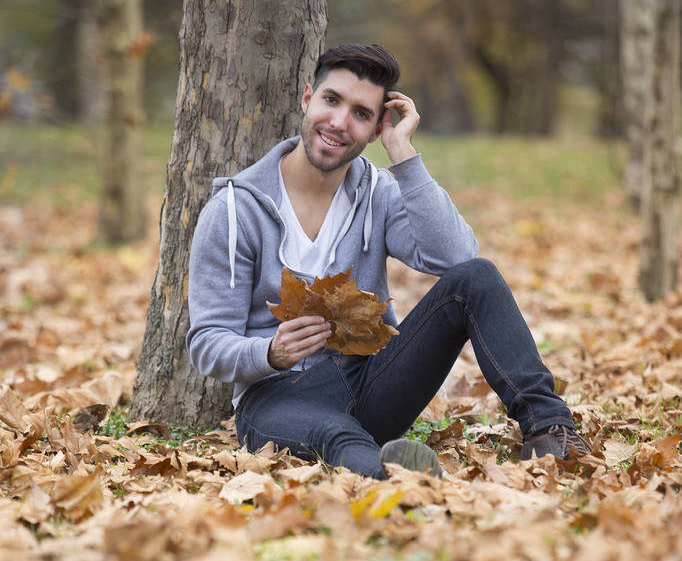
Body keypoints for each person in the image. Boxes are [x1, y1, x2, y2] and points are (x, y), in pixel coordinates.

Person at [187, 43, 589, 479]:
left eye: (361, 114)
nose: (339, 122)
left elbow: (455, 255)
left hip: (373, 379)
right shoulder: (234, 210)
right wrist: (270, 352)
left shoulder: (377, 193)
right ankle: (405, 480)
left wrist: (404, 156)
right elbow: (207, 342)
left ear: (376, 129)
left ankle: (551, 432)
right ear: (307, 98)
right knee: (334, 434)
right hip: (277, 396)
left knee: (477, 277)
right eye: (331, 100)